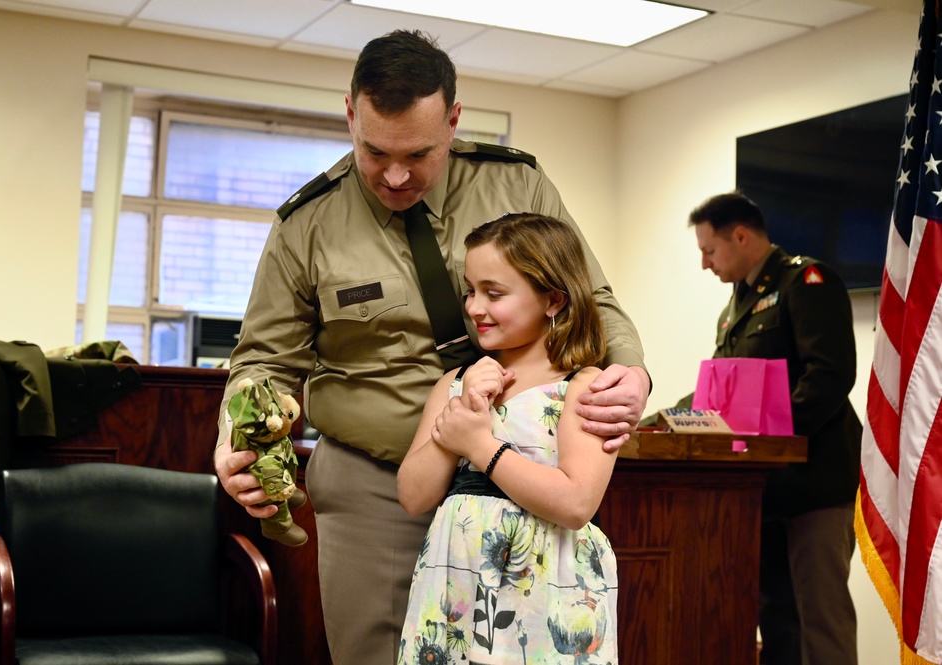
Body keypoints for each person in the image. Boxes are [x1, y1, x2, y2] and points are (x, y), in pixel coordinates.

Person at [214, 29, 650, 664]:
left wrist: (630, 372)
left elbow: (592, 297)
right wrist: (238, 437)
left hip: (521, 481)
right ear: (349, 115)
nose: (395, 175)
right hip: (379, 481)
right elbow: (264, 363)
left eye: (418, 154)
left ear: (453, 119)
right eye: (373, 152)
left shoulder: (516, 185)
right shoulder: (306, 225)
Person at [396, 213, 618, 664]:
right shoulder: (453, 384)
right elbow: (413, 496)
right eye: (470, 291)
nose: (475, 307)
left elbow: (577, 504)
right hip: (455, 584)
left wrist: (479, 445)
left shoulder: (584, 387)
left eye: (493, 293)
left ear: (552, 299)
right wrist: (456, 421)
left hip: (546, 592)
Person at [688, 191, 860, 665]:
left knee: (821, 619)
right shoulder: (735, 307)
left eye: (709, 251)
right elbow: (720, 390)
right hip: (762, 487)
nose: (705, 264)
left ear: (740, 236)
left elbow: (829, 376)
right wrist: (666, 418)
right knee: (776, 618)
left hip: (815, 481)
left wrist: (769, 442)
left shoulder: (806, 281)